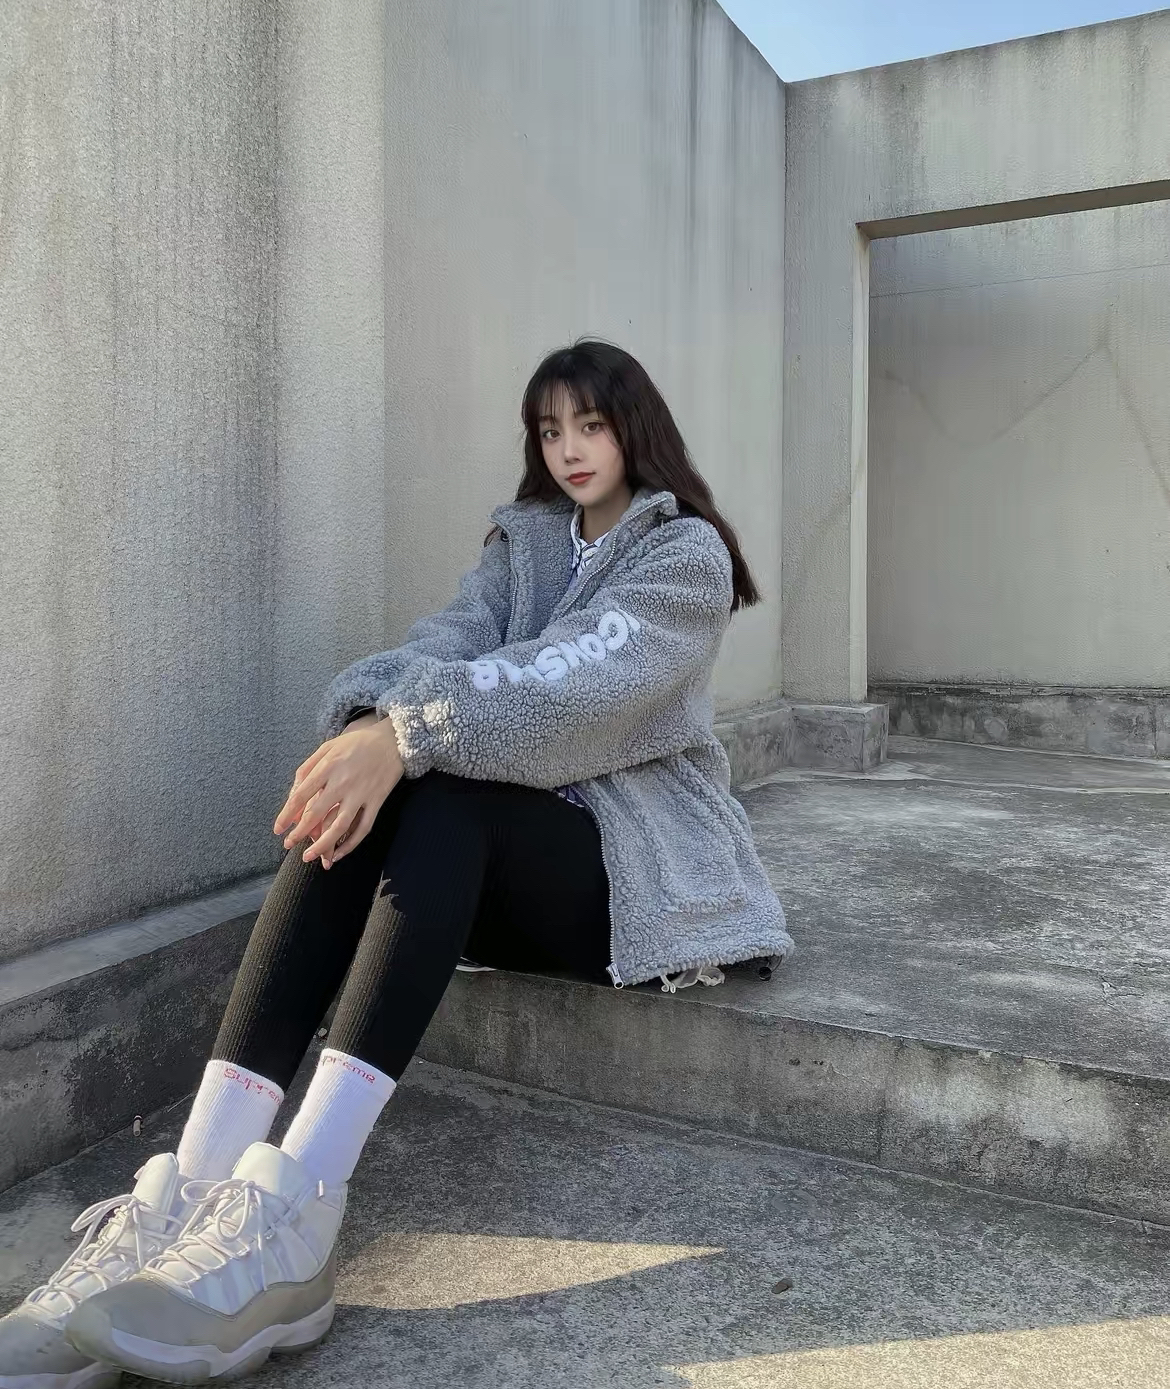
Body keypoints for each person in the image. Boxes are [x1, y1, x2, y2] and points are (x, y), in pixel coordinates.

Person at [0, 338, 794, 1386]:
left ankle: (297, 1216)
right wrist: (374, 724)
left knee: (437, 786)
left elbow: (574, 685)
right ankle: (183, 1197)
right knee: (374, 791)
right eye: (549, 429)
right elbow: (443, 641)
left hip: (630, 866)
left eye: (590, 424)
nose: (568, 448)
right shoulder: (524, 542)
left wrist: (407, 730)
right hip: (497, 866)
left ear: (633, 428)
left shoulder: (682, 554)